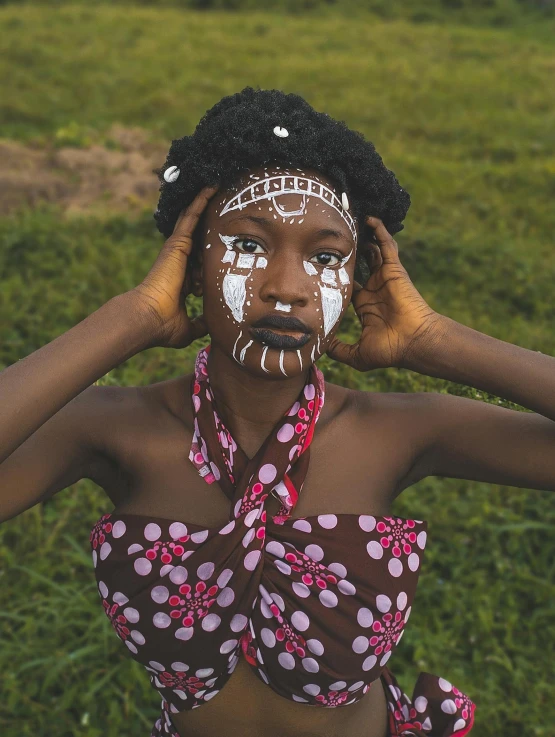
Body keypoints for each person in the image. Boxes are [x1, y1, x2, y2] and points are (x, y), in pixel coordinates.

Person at [2, 87, 555, 737]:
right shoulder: (118, 431)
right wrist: (131, 318)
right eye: (247, 244)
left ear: (353, 283)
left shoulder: (395, 432)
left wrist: (435, 339)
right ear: (191, 268)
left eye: (325, 257)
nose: (286, 287)